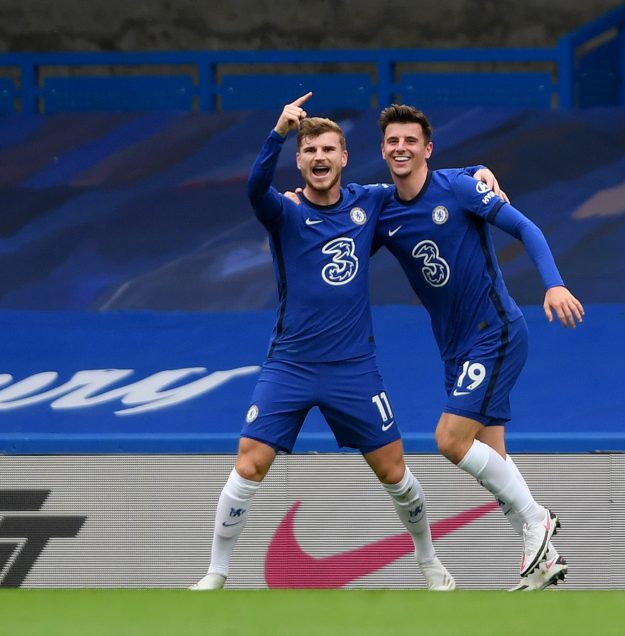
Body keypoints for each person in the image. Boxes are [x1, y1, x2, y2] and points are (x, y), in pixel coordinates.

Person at [192, 93, 464, 591]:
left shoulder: (370, 202)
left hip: (354, 368)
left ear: (343, 158)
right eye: (310, 150)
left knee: (394, 471)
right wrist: (276, 132)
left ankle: (429, 563)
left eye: (328, 150)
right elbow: (255, 189)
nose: (319, 158)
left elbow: (418, 179)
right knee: (249, 461)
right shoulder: (284, 211)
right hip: (290, 365)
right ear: (299, 161)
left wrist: (479, 170)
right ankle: (217, 572)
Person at [374, 103, 584, 591]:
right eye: (392, 141)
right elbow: (341, 210)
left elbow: (526, 228)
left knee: (450, 440)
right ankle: (545, 562)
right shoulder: (384, 208)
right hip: (455, 347)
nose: (400, 148)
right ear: (383, 150)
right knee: (493, 461)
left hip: (496, 332)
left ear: (428, 148)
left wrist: (552, 284)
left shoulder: (460, 189)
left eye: (410, 141)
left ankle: (537, 520)